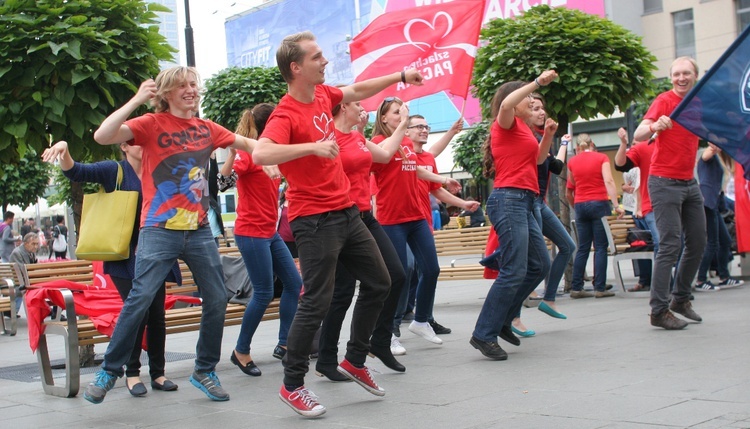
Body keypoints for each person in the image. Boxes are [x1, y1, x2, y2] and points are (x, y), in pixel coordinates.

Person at [251, 31, 424, 418]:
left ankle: (354, 360)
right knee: (317, 300)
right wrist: (310, 147)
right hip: (313, 221)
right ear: (296, 67)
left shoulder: (325, 96)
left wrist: (399, 75)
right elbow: (262, 152)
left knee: (382, 281)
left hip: (347, 213)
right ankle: (293, 385)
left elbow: (358, 86)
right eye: (316, 57)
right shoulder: (285, 113)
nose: (324, 61)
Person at [82, 66, 256, 404]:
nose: (190, 90)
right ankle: (110, 370)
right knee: (140, 298)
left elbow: (252, 144)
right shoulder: (150, 124)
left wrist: (297, 147)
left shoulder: (206, 129)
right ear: (165, 94)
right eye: (181, 86)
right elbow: (103, 136)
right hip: (158, 229)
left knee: (218, 297)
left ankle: (204, 370)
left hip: (199, 229)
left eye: (193, 84)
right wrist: (136, 99)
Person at [42, 140, 183, 396]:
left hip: (155, 253)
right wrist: (64, 149)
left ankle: (158, 373)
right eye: (136, 142)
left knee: (156, 315)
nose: (143, 145)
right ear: (125, 146)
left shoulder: (157, 171)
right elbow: (76, 171)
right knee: (136, 314)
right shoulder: (114, 171)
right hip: (124, 257)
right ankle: (131, 374)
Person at [471, 71, 558, 361]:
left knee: (539, 265)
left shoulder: (524, 130)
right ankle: (484, 334)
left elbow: (539, 160)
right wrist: (537, 83)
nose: (533, 101)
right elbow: (507, 104)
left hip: (525, 200)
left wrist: (547, 136)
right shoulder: (505, 123)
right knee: (514, 270)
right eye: (528, 98)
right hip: (508, 199)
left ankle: (503, 321)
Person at [221, 104, 303, 377]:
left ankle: (285, 342)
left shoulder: (273, 153)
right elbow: (223, 184)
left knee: (294, 283)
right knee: (264, 292)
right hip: (251, 232)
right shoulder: (251, 153)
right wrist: (232, 155)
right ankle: (240, 351)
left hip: (270, 232)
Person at [632, 57, 706, 330]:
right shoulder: (664, 100)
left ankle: (681, 299)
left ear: (695, 75)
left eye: (686, 73)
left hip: (689, 183)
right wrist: (654, 126)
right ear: (671, 77)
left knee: (698, 241)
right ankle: (658, 310)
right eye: (676, 74)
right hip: (664, 182)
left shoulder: (698, 102)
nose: (681, 78)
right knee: (670, 244)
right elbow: (639, 133)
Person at [513, 93, 574, 334]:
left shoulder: (541, 137)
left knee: (568, 246)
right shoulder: (527, 137)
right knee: (535, 263)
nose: (541, 112)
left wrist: (564, 144)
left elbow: (555, 167)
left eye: (542, 108)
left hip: (539, 202)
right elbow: (540, 161)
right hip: (528, 202)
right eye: (534, 108)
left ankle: (549, 300)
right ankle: (513, 316)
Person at [566, 134, 624, 299]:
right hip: (598, 203)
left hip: (580, 206)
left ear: (577, 147)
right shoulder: (601, 158)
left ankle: (576, 287)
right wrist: (615, 205)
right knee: (600, 246)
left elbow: (570, 189)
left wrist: (576, 205)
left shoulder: (572, 162)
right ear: (592, 144)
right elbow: (609, 181)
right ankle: (599, 287)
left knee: (583, 247)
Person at [614, 127, 658, 293]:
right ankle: (644, 279)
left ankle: (653, 280)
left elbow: (641, 186)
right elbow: (624, 174)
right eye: (631, 144)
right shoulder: (632, 159)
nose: (633, 146)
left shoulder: (645, 156)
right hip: (632, 205)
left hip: (641, 207)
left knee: (649, 242)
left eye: (635, 143)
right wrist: (623, 187)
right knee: (639, 243)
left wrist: (639, 207)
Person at [694, 144, 743, 291]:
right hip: (707, 203)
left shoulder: (719, 158)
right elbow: (705, 156)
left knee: (725, 240)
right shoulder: (707, 154)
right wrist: (713, 147)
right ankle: (701, 280)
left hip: (713, 203)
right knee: (712, 242)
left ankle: (724, 276)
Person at [7, 232, 39, 316]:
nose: (35, 246)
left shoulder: (30, 252)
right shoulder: (17, 253)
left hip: (24, 281)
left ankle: (51, 310)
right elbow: (22, 272)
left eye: (37, 244)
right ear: (25, 243)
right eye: (33, 244)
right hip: (18, 283)